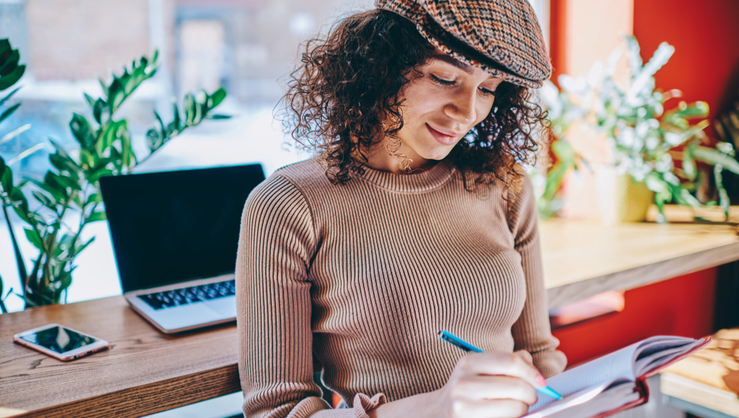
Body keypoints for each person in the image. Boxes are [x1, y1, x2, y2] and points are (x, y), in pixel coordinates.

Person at [235, 0, 567, 416]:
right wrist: (437, 408)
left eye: (488, 88)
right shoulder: (288, 205)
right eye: (445, 77)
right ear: (380, 64)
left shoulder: (504, 185)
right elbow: (276, 410)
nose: (467, 112)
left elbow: (537, 355)